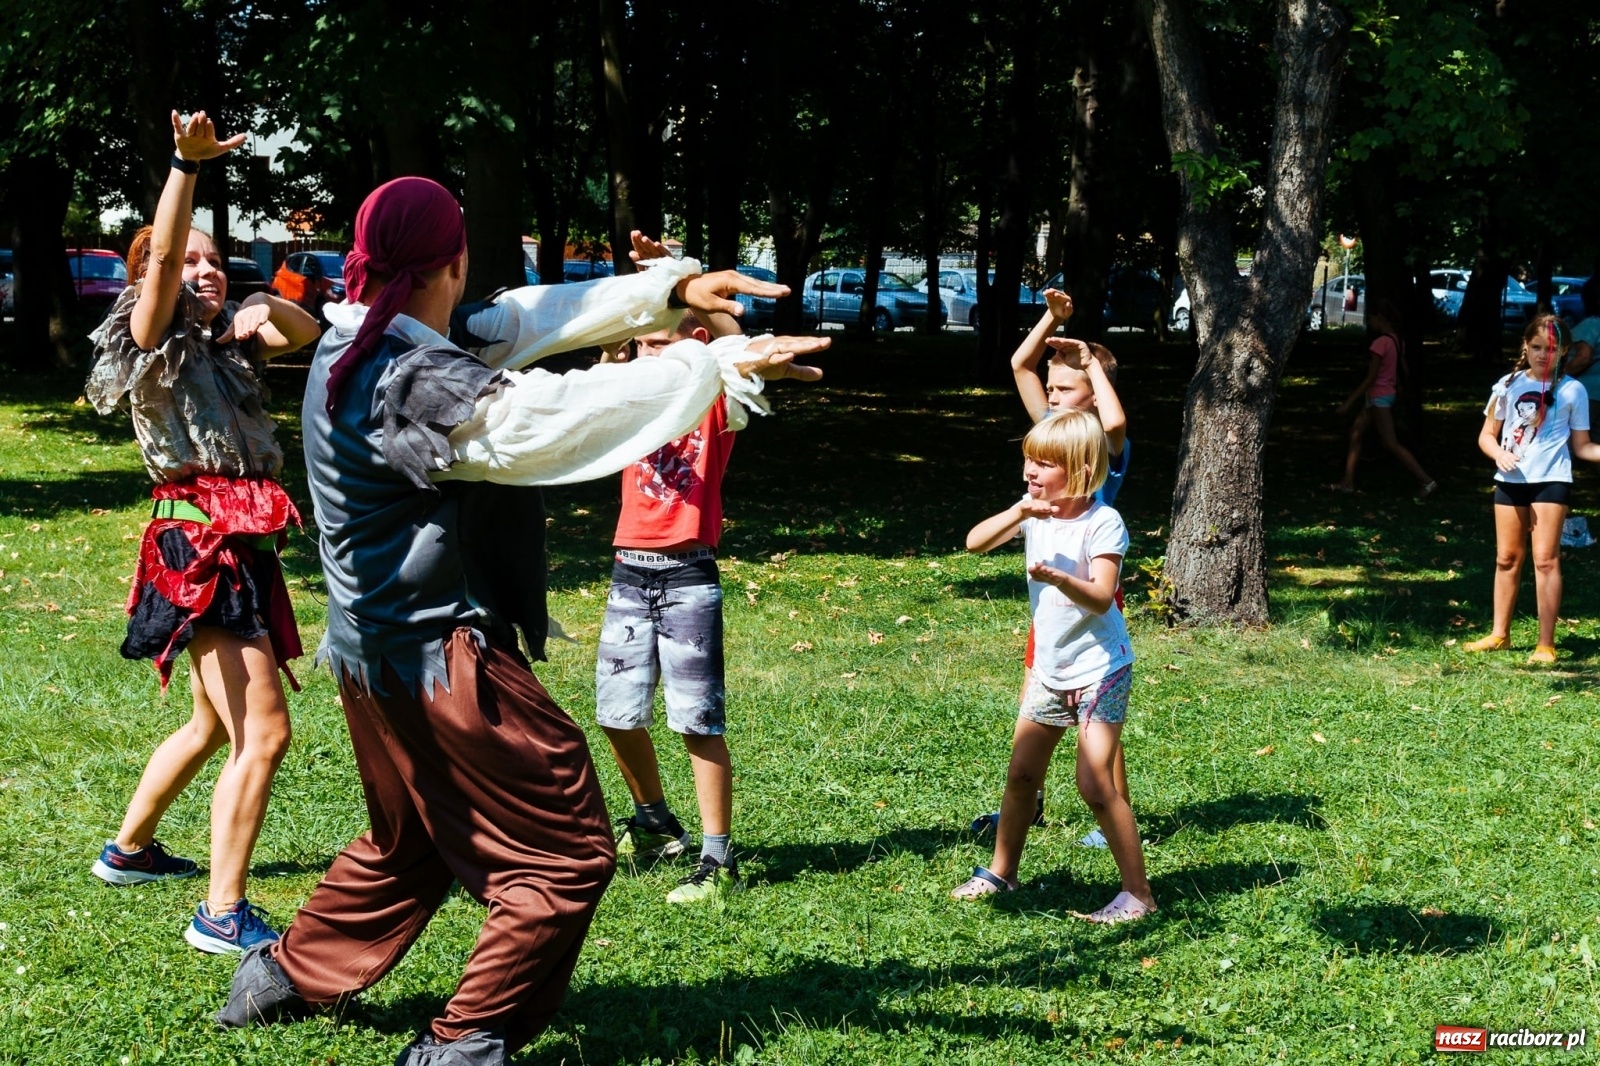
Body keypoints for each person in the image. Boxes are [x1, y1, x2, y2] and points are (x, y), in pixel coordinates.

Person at [215, 175, 824, 1066]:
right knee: (564, 854)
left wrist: (669, 293)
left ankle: (282, 975)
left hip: (371, 653)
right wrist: (713, 365)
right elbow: (543, 421)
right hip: (436, 656)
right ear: (453, 259)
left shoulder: (365, 334)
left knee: (414, 839)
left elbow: (523, 319)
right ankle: (461, 1047)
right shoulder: (409, 377)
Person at [84, 111, 321, 954]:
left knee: (215, 725)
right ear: (150, 276)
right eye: (186, 261)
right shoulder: (151, 339)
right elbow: (157, 296)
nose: (204, 271)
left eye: (215, 262)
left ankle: (130, 850)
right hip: (202, 550)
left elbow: (309, 333)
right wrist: (185, 168)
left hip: (239, 543)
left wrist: (261, 307)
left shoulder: (223, 346)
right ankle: (222, 912)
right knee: (264, 732)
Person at [596, 310, 820, 904]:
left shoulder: (715, 402)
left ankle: (716, 858)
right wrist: (651, 292)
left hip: (687, 575)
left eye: (661, 344)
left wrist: (695, 299)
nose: (648, 355)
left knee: (697, 720)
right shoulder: (630, 398)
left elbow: (732, 350)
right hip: (627, 571)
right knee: (616, 713)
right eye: (641, 343)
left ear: (694, 346)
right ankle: (653, 821)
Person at [951, 410, 1154, 925]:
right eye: (1028, 462)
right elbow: (975, 542)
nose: (1030, 473)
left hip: (1100, 670)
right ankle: (1002, 872)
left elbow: (1104, 597)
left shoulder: (1103, 523)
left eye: (1043, 464)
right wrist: (1021, 512)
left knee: (1094, 784)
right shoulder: (1035, 516)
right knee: (1021, 774)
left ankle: (1139, 895)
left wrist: (1062, 579)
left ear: (1081, 470)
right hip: (1049, 669)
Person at [976, 287, 1129, 849]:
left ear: (1091, 398)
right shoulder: (1054, 433)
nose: (1054, 396)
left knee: (1096, 717)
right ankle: (1031, 799)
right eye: (1054, 388)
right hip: (1051, 596)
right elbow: (1020, 365)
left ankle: (1107, 810)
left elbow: (1115, 419)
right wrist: (1052, 319)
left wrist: (1090, 361)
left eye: (1066, 389)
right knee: (1048, 701)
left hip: (1089, 586)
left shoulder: (1099, 446)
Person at [1465, 314, 1600, 664]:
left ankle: (1545, 644)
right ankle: (1499, 635)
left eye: (1551, 349)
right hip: (1510, 483)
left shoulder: (1573, 390)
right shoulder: (1506, 385)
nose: (1543, 355)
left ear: (1564, 351)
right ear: (1525, 346)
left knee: (1545, 560)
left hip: (1552, 482)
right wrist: (1499, 454)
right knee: (1506, 558)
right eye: (1536, 347)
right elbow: (1486, 436)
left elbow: (1583, 446)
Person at [1331, 299, 1437, 498]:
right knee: (1356, 433)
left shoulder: (1379, 343)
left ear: (1381, 318)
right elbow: (1401, 370)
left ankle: (1427, 481)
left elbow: (1371, 377)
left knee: (1391, 443)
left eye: (1371, 318)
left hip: (1379, 396)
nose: (1369, 322)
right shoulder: (1397, 341)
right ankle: (1348, 481)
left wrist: (1348, 403)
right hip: (1383, 395)